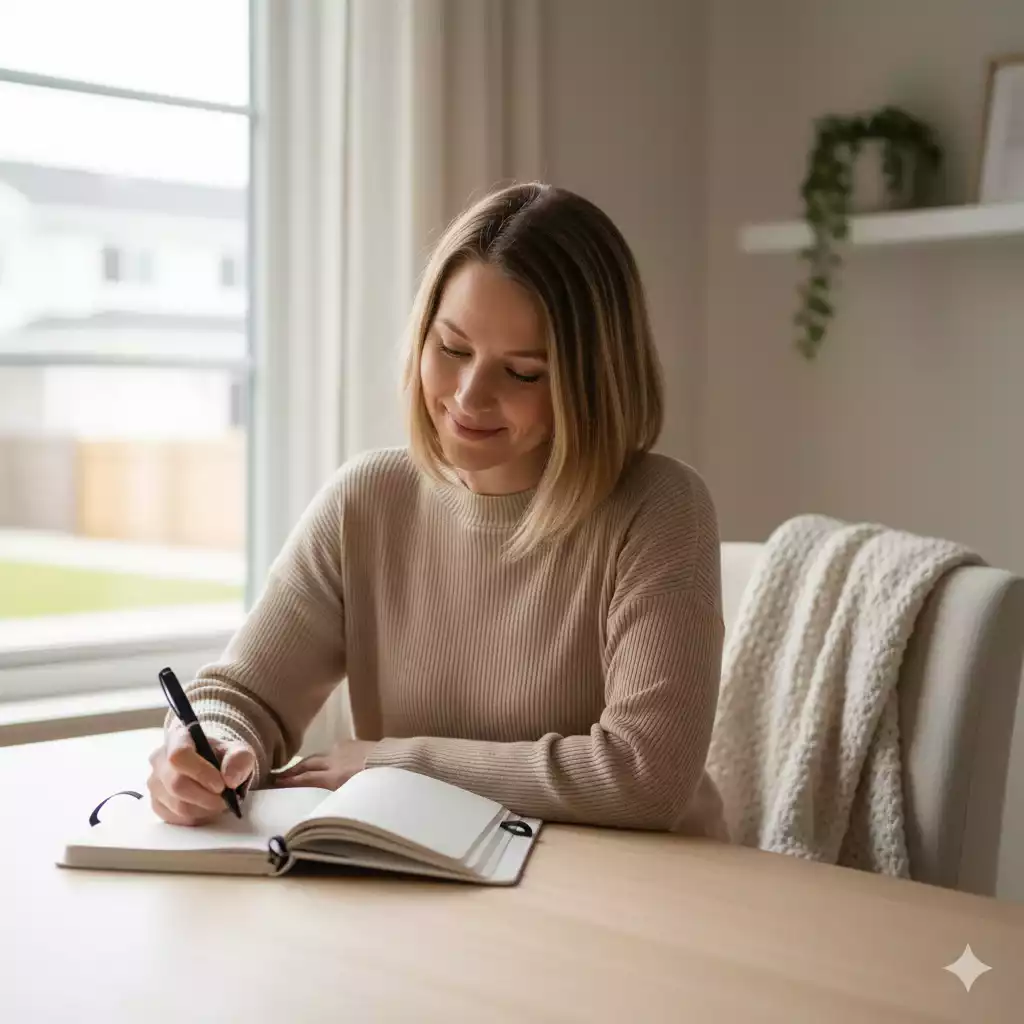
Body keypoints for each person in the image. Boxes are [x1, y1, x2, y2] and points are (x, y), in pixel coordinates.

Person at [147, 182, 729, 841]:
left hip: (648, 897)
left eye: (525, 372)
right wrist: (204, 748)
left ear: (595, 379)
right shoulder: (367, 499)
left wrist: (391, 762)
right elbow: (243, 696)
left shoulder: (658, 508)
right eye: (452, 349)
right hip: (440, 884)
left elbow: (644, 776)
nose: (469, 395)